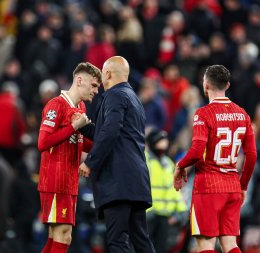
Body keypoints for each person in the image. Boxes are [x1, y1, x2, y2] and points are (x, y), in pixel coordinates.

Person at [173, 65, 257, 253]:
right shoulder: (243, 114)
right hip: (232, 186)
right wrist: (242, 186)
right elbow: (251, 155)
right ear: (227, 85)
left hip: (208, 187)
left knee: (206, 245)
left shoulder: (203, 114)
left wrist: (180, 166)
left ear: (205, 84)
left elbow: (196, 151)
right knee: (230, 244)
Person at [79, 56, 156, 253]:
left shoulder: (114, 95)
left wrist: (91, 162)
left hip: (118, 179)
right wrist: (83, 126)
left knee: (117, 241)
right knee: (141, 240)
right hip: (136, 179)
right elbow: (112, 132)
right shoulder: (134, 99)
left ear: (107, 74)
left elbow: (111, 131)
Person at [38, 62, 101, 253]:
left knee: (57, 236)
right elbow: (43, 143)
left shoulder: (80, 107)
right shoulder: (56, 105)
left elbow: (81, 143)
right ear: (80, 80)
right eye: (94, 85)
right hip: (55, 180)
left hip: (69, 181)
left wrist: (105, 144)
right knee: (63, 235)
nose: (96, 91)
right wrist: (73, 127)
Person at [145, 129, 188, 253]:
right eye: (160, 141)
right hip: (147, 213)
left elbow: (173, 189)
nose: (164, 144)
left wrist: (181, 211)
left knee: (161, 249)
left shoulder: (168, 164)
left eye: (165, 141)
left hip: (164, 215)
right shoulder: (144, 160)